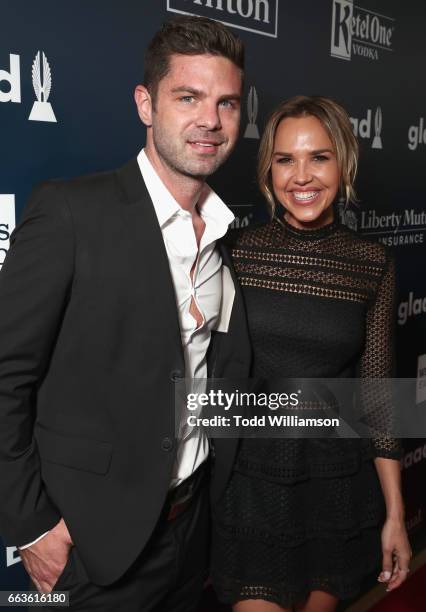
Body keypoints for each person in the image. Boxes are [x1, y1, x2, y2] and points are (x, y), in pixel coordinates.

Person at [0, 15, 251, 611]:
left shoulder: (226, 237)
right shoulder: (70, 215)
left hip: (194, 530)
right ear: (146, 104)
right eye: (187, 97)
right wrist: (34, 527)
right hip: (93, 546)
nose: (209, 122)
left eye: (227, 103)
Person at [211, 96, 412, 612]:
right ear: (268, 170)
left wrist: (395, 514)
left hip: (335, 486)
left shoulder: (372, 262)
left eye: (319, 157)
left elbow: (378, 397)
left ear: (343, 162)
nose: (302, 176)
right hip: (251, 484)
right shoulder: (235, 253)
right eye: (285, 159)